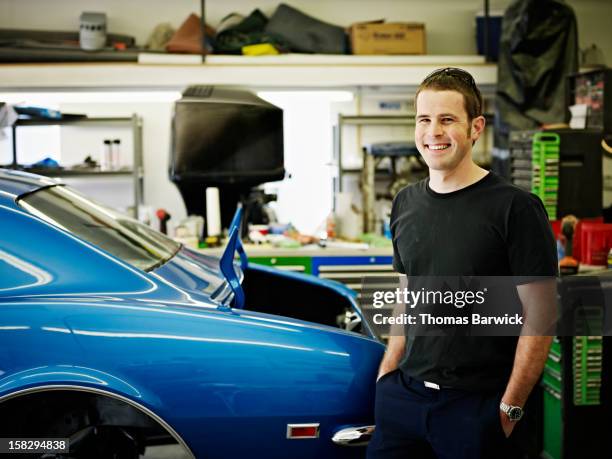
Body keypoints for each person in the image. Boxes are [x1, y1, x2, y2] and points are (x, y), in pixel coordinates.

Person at [367, 67, 558, 459]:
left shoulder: (515, 207)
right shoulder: (405, 203)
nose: (433, 132)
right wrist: (388, 374)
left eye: (447, 119)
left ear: (476, 128)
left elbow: (541, 316)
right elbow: (408, 296)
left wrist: (510, 407)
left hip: (479, 408)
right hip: (405, 399)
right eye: (424, 119)